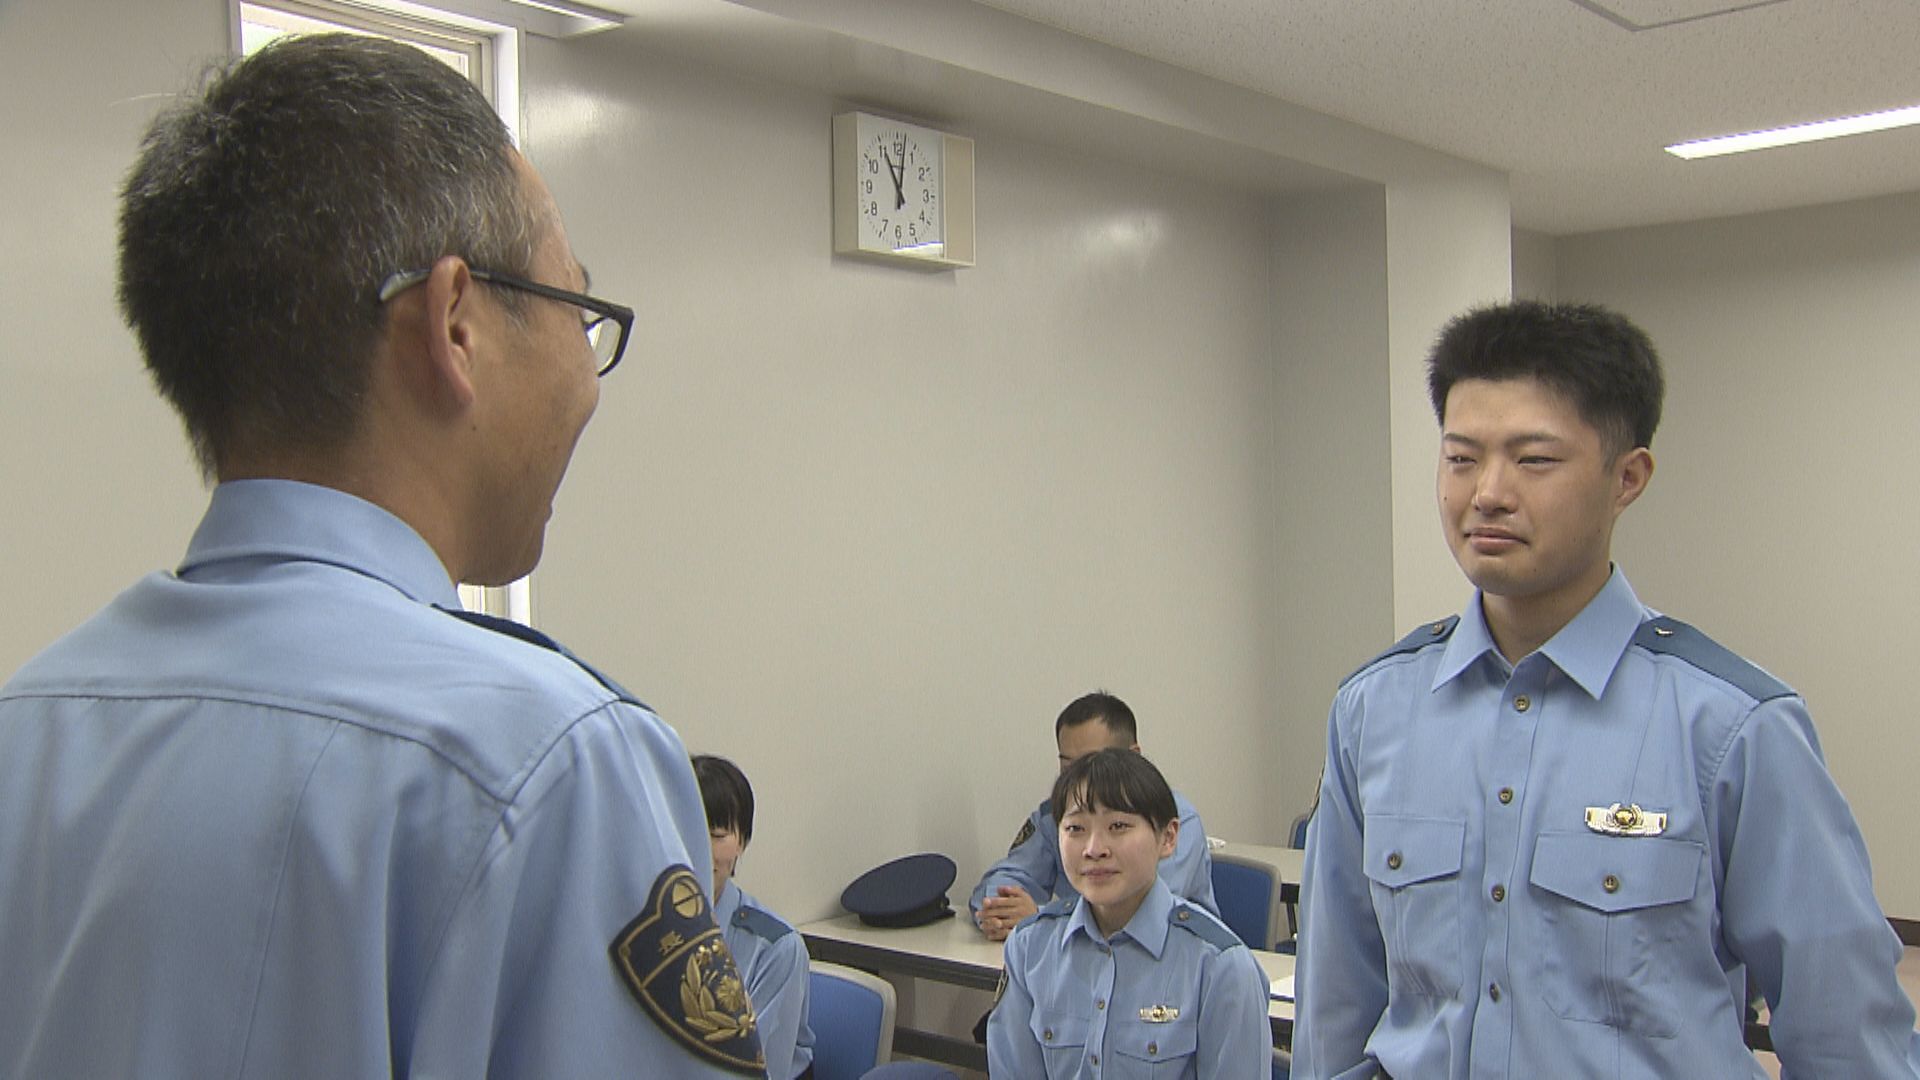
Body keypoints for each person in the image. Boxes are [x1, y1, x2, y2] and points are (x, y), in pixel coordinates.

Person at [0, 35, 764, 1078]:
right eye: (577, 311)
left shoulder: (30, 727)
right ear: (454, 325)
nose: (588, 380)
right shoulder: (548, 764)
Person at [1292, 300, 1920, 1078]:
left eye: (1534, 460)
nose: (1488, 492)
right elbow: (1336, 1008)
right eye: (1461, 459)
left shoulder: (1731, 727)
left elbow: (1847, 1038)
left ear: (1627, 478)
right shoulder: (1375, 711)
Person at [988, 748, 1272, 1077]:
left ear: (1168, 837)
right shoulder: (1030, 948)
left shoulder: (1221, 967)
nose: (1094, 849)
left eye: (1118, 826)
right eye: (1076, 829)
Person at [972, 691, 1218, 941]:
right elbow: (1004, 879)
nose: (1080, 777)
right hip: (1080, 952)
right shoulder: (1055, 816)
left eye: (1094, 762)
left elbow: (1137, 910)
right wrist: (1000, 911)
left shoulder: (1172, 818)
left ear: (1133, 756)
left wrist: (1040, 917)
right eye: (1068, 767)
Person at [693, 754, 817, 1080]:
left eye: (717, 834)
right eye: (688, 830)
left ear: (742, 842)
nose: (701, 849)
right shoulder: (646, 930)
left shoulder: (777, 947)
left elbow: (756, 1071)